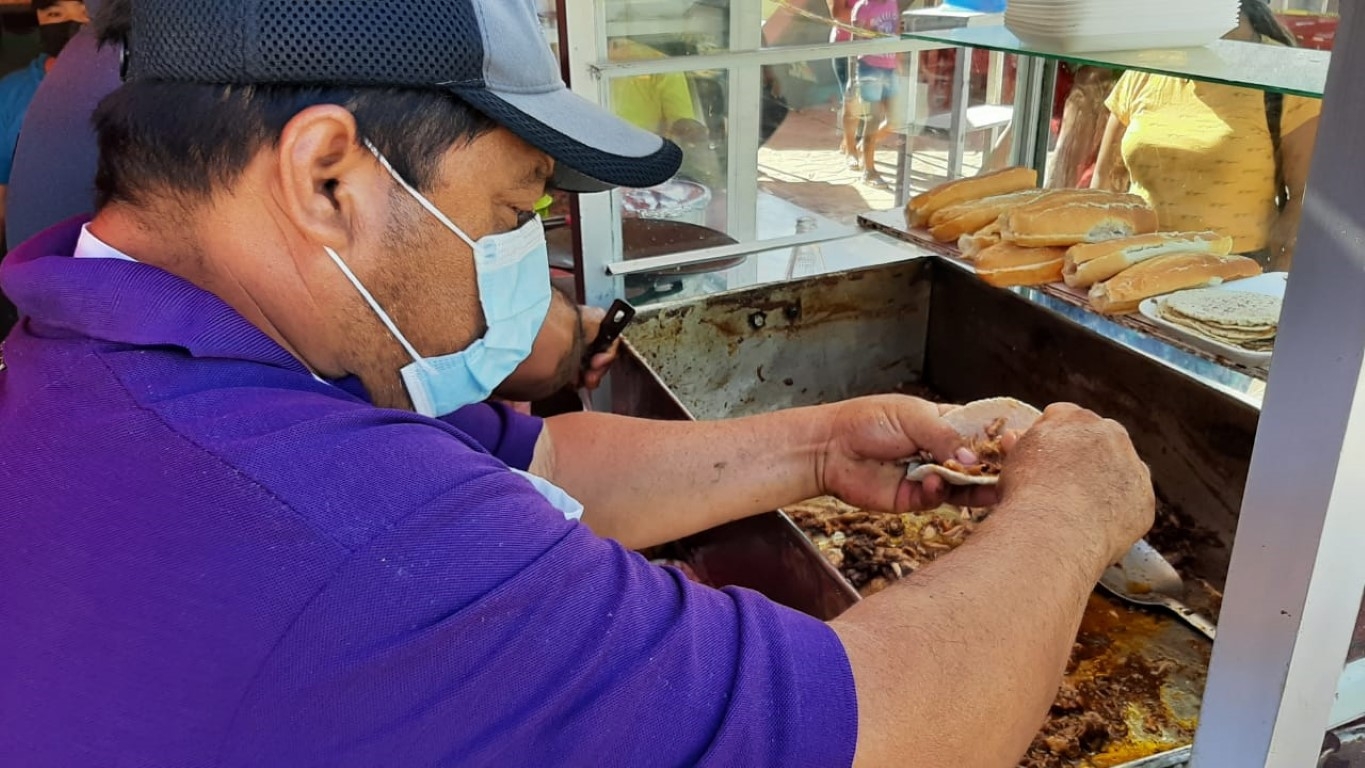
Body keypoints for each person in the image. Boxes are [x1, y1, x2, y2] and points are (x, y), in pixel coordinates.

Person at [0, 1, 1155, 766]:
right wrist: (1072, 509)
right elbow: (894, 733)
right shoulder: (339, 534)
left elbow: (539, 459)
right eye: (512, 212)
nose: (521, 255)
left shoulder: (128, 350)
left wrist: (815, 446)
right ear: (328, 177)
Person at [1092, 0, 1319, 271]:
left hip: (1235, 273)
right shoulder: (1147, 65)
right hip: (1134, 263)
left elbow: (1303, 200)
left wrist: (1273, 286)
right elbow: (1105, 180)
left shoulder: (1285, 72)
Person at [0, 0, 87, 239]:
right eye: (55, 13)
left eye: (85, 11)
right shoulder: (10, 92)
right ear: (39, 19)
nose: (71, 24)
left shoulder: (129, 87)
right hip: (31, 257)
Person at [850, 0, 903, 189]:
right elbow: (855, 42)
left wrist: (899, 62)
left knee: (895, 120)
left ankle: (862, 149)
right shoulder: (863, 7)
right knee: (873, 119)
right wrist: (869, 34)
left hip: (889, 68)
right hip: (869, 68)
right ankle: (869, 171)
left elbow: (896, 33)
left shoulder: (892, 3)